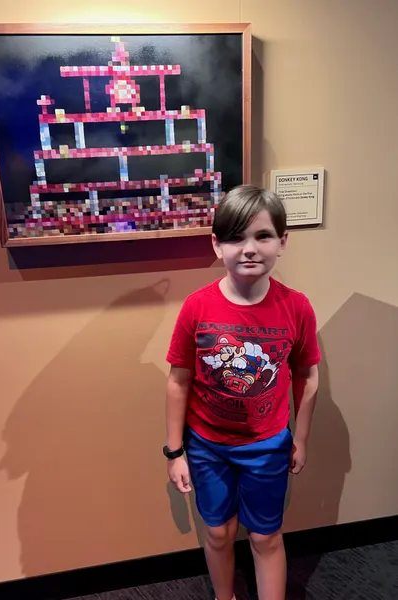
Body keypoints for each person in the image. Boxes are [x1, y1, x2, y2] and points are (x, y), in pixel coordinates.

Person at [164, 184, 320, 600]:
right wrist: (174, 452)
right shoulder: (197, 307)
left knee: (265, 536)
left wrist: (301, 438)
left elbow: (307, 375)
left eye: (262, 236)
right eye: (235, 237)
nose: (249, 249)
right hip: (207, 446)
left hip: (267, 445)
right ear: (217, 245)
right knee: (218, 532)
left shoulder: (296, 307)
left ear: (282, 241)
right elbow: (178, 380)